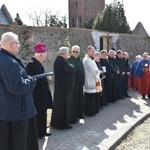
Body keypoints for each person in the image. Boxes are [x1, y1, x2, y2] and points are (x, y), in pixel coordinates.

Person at [0, 32, 37, 150]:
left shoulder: (4, 59)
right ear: (11, 44)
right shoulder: (10, 63)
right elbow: (17, 87)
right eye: (18, 44)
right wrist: (31, 81)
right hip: (16, 112)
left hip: (8, 110)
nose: (19, 46)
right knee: (18, 144)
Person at [26, 42, 53, 139]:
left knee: (43, 112)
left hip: (43, 93)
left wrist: (47, 78)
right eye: (45, 55)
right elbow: (33, 79)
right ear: (41, 55)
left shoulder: (39, 64)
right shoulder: (30, 65)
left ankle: (43, 131)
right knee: (38, 114)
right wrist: (46, 78)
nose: (46, 57)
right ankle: (38, 133)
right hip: (36, 94)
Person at [51, 47, 75, 129]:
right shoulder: (63, 61)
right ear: (64, 53)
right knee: (63, 107)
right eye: (68, 52)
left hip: (60, 87)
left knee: (58, 106)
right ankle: (63, 124)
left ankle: (56, 123)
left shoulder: (59, 60)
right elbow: (72, 69)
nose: (69, 54)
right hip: (64, 88)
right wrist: (72, 66)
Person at [83, 46, 102, 116]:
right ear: (88, 51)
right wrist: (98, 72)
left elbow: (95, 68)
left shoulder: (91, 59)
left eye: (94, 51)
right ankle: (89, 112)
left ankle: (93, 111)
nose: (94, 53)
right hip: (89, 81)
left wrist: (97, 71)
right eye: (92, 51)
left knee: (93, 97)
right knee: (90, 98)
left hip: (93, 81)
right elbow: (92, 71)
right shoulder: (86, 60)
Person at [68, 45, 85, 119]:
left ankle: (80, 114)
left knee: (80, 98)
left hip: (80, 83)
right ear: (71, 51)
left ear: (79, 52)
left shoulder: (80, 60)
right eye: (74, 51)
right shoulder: (69, 60)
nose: (75, 53)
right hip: (73, 83)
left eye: (77, 52)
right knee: (74, 99)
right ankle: (74, 115)